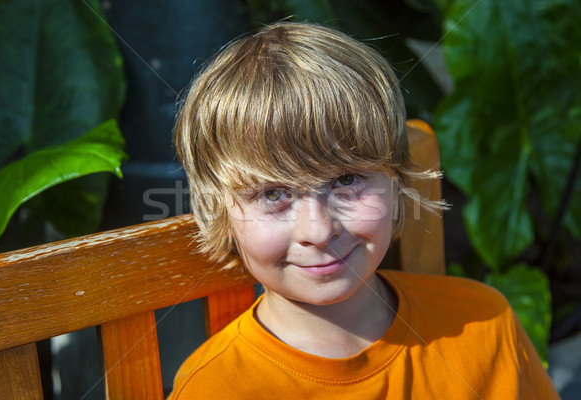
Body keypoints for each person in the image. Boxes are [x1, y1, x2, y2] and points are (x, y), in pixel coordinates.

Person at [168, 21, 559, 399]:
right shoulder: (214, 389)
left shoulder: (483, 323)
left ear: (397, 183)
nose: (319, 231)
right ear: (218, 210)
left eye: (346, 180)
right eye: (273, 194)